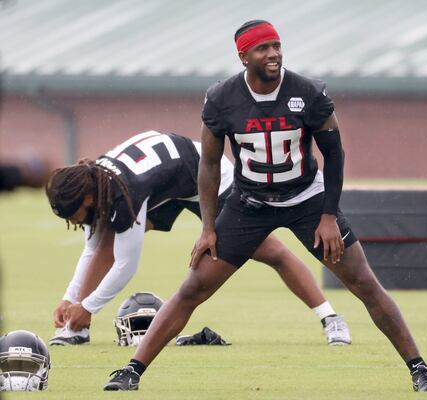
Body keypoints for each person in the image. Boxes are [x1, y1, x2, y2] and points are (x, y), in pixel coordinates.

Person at [104, 20, 427, 392]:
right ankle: (131, 370)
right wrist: (209, 227)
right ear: (243, 56)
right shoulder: (221, 98)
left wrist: (329, 215)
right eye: (263, 48)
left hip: (308, 200)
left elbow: (335, 155)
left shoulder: (308, 92)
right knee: (193, 288)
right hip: (250, 203)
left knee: (364, 283)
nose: (274, 54)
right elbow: (210, 164)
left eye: (277, 46)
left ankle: (421, 368)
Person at [45, 130, 351, 346]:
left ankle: (330, 317)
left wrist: (88, 306)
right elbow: (93, 247)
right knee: (105, 241)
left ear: (87, 194)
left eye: (73, 212)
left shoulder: (121, 194)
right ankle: (77, 329)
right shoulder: (95, 183)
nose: (73, 220)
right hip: (167, 184)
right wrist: (71, 300)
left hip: (208, 176)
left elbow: (126, 265)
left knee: (269, 252)